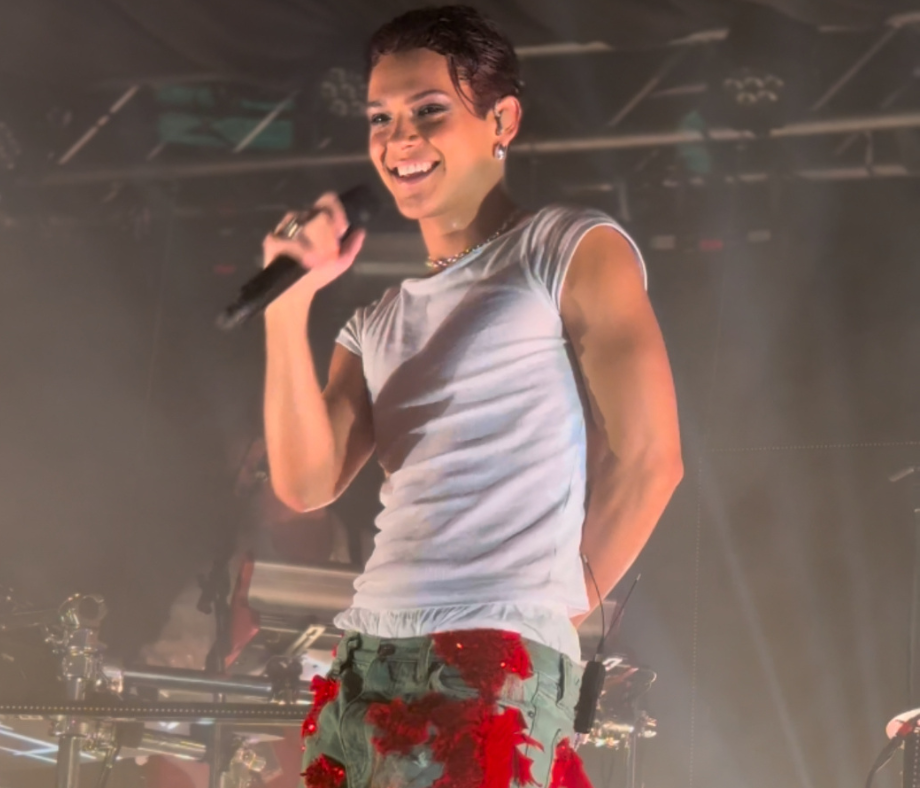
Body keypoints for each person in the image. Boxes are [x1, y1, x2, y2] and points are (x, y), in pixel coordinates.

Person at [261, 6, 683, 788]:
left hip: (495, 648)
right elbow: (305, 483)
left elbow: (650, 456)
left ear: (502, 121)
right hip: (367, 652)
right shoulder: (371, 322)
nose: (399, 139)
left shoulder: (564, 247)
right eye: (380, 118)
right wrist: (288, 305)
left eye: (429, 111)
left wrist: (555, 602)